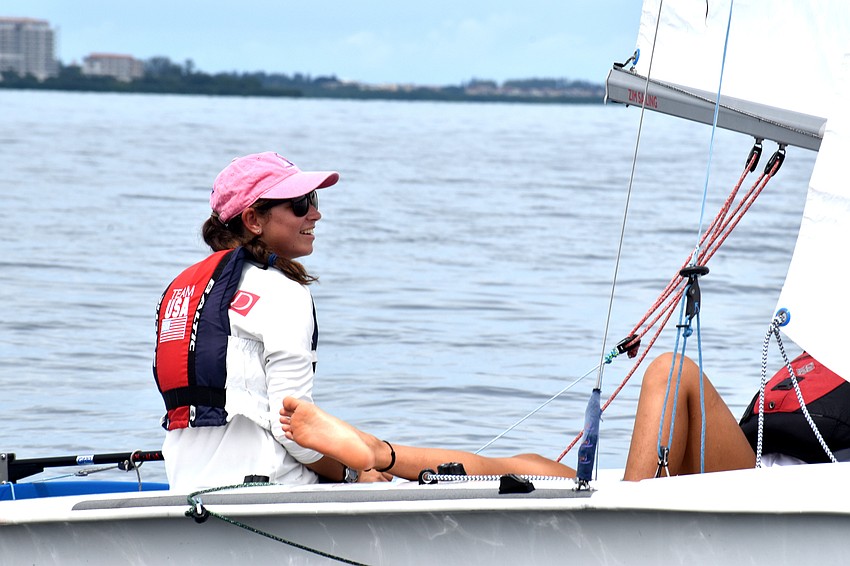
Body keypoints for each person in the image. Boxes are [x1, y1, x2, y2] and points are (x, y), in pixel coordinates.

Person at [154, 151, 574, 491]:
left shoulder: (181, 292)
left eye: (314, 201)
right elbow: (293, 431)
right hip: (271, 485)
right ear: (253, 220)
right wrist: (355, 473)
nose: (314, 215)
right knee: (516, 466)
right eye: (301, 204)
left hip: (188, 483)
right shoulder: (283, 293)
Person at [622, 350, 850, 481]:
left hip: (815, 492)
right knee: (670, 371)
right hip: (749, 474)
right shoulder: (819, 353)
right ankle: (624, 528)